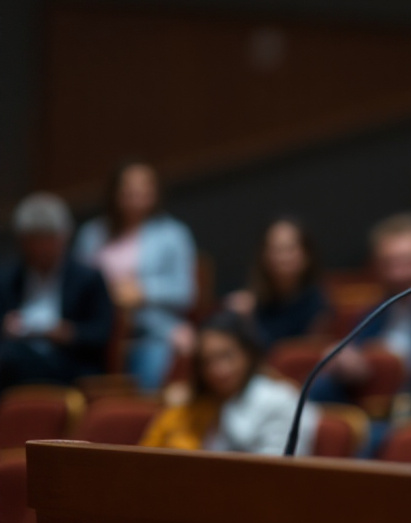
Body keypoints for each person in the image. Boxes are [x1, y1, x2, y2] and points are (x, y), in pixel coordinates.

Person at [73, 159, 197, 391]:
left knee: (146, 382)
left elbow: (185, 291)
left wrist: (143, 291)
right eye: (128, 186)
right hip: (100, 331)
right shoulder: (91, 234)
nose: (136, 192)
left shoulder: (173, 234)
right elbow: (76, 284)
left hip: (151, 331)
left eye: (144, 185)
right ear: (115, 190)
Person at [309, 214, 411, 404]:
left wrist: (387, 362)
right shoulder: (374, 310)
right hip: (374, 399)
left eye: (407, 260)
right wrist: (343, 358)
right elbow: (355, 353)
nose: (398, 272)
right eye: (389, 262)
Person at [140, 311, 317, 455]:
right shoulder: (199, 403)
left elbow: (274, 475)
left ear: (248, 353)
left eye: (227, 356)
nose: (218, 370)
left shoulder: (281, 400)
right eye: (207, 361)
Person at [0, 193, 113, 391]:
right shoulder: (8, 278)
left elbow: (103, 333)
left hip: (68, 363)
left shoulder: (88, 278)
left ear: (64, 236)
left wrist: (69, 333)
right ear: (22, 241)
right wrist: (6, 326)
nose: (41, 248)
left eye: (48, 239)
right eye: (33, 239)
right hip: (17, 356)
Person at [224, 217, 330, 348]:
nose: (282, 258)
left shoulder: (319, 305)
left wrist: (251, 323)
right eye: (275, 249)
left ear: (307, 255)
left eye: (290, 249)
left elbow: (302, 355)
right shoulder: (252, 303)